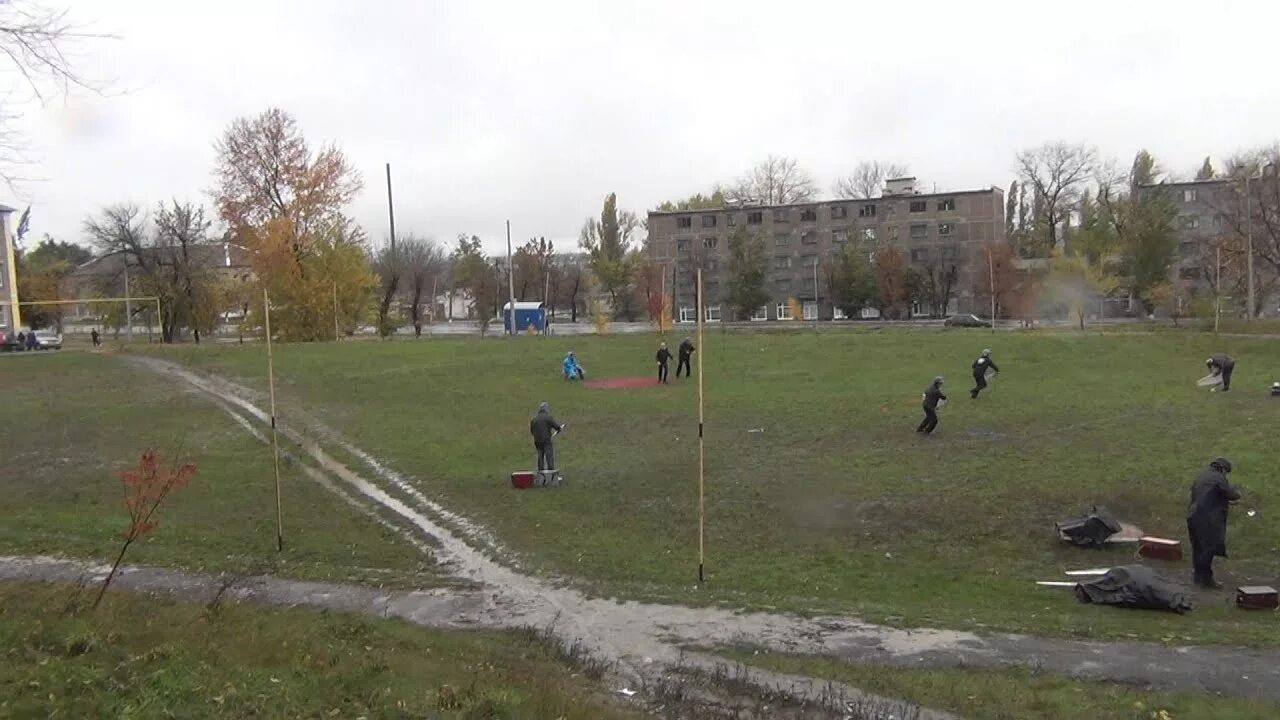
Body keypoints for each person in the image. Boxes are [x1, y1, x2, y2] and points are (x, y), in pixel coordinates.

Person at [1186, 457, 1242, 589]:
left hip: (1193, 516)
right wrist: (1237, 494)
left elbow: (1203, 496)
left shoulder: (1202, 477)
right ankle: (1206, 579)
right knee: (1208, 548)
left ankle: (1198, 577)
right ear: (1223, 469)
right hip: (1209, 519)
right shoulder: (1219, 478)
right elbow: (1228, 493)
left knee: (1198, 548)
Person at [529, 401, 564, 477]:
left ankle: (540, 475)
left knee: (540, 456)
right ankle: (551, 475)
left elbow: (532, 431)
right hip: (546, 440)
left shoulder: (534, 419)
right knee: (549, 457)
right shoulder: (548, 418)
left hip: (537, 441)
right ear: (546, 409)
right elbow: (556, 427)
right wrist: (559, 429)